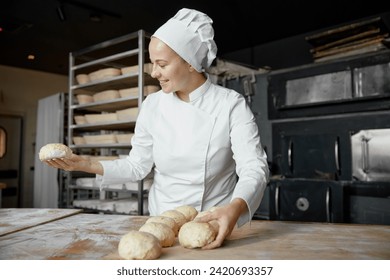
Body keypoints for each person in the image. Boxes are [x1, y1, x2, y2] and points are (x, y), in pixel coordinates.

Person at [44, 8, 269, 249]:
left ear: (191, 62)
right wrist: (83, 164)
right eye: (152, 63)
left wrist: (234, 209)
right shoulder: (152, 105)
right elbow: (136, 165)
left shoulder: (229, 104)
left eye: (161, 64)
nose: (154, 73)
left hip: (213, 223)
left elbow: (253, 166)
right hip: (161, 226)